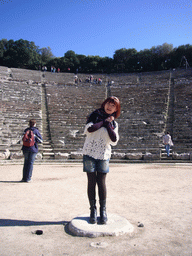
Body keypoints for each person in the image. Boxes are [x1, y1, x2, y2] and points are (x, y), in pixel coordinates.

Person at [82, 96, 121, 224]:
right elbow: (90, 129)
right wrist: (104, 122)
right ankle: (93, 210)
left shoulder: (114, 123)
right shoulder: (94, 116)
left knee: (102, 182)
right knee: (91, 181)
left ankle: (103, 211)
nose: (109, 107)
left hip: (104, 155)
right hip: (89, 153)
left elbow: (114, 139)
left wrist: (108, 124)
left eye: (113, 105)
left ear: (116, 109)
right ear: (104, 104)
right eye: (108, 104)